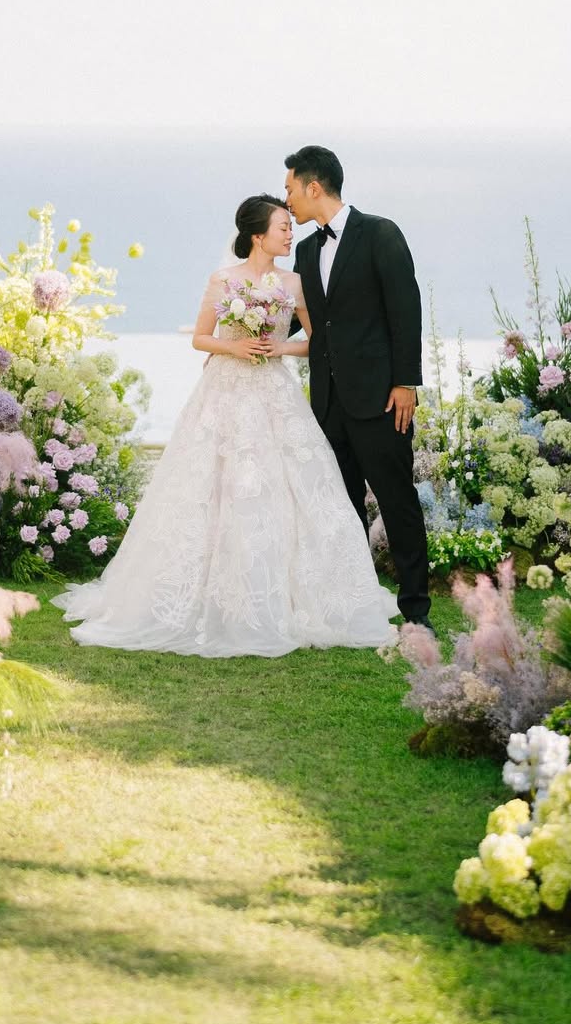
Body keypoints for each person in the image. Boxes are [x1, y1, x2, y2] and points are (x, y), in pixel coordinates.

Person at [52, 194, 397, 657]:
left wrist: (279, 348)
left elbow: (319, 342)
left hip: (275, 391)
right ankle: (208, 594)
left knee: (291, 486)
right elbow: (200, 337)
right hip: (225, 392)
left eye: (290, 226)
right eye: (282, 227)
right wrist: (233, 346)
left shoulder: (295, 283)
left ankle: (292, 595)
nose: (290, 234)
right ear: (257, 235)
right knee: (213, 485)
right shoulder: (223, 280)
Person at [284, 145, 431, 628]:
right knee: (341, 509)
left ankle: (416, 610)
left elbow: (405, 311)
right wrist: (248, 322)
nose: (287, 201)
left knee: (397, 502)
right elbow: (302, 319)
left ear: (313, 187)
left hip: (381, 399)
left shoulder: (381, 234)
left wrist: (406, 382)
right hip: (328, 403)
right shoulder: (306, 251)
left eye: (290, 189)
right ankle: (355, 607)